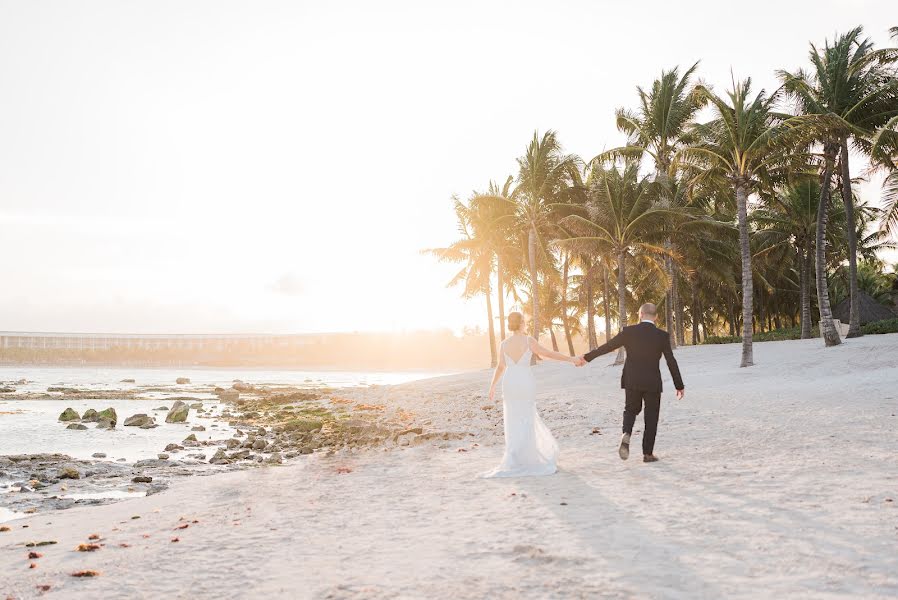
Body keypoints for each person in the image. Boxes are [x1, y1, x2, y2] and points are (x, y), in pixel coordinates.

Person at [577, 302, 684, 463]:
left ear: (640, 314)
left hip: (632, 379)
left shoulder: (629, 332)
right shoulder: (662, 336)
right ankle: (647, 454)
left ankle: (626, 432)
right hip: (652, 382)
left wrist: (587, 357)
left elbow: (608, 346)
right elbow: (671, 361)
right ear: (656, 317)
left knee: (630, 410)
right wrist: (679, 385)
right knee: (651, 416)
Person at [483, 311, 580, 477]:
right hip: (525, 381)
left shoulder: (504, 344)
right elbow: (548, 354)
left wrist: (492, 386)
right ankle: (528, 457)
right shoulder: (529, 341)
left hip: (510, 382)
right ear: (521, 323)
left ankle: (515, 457)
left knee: (513, 418)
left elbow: (500, 367)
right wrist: (571, 359)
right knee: (526, 417)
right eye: (524, 321)